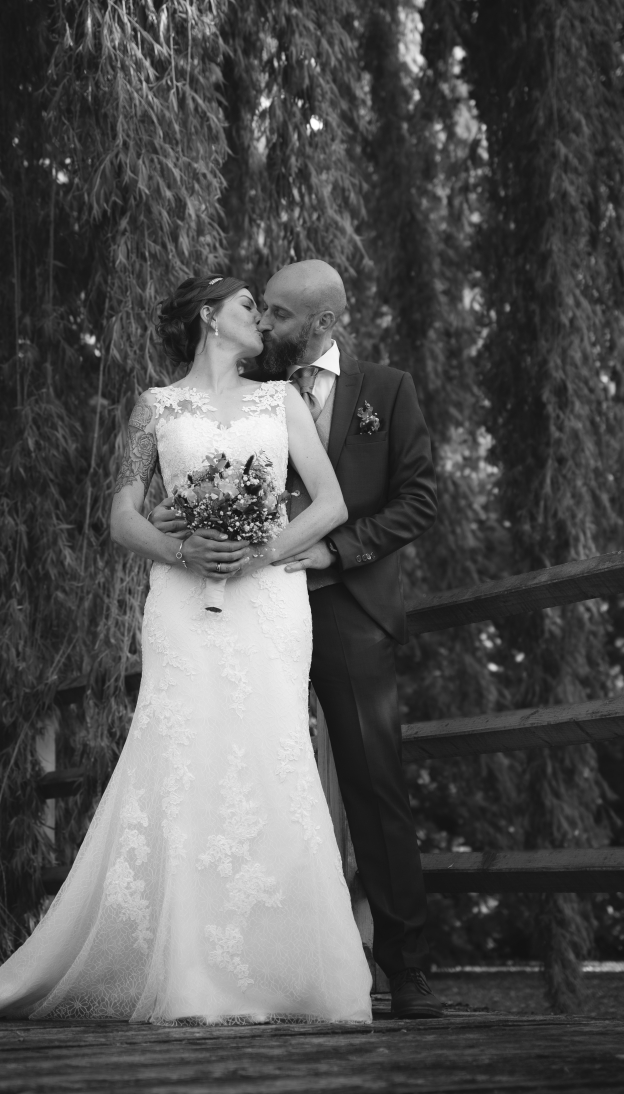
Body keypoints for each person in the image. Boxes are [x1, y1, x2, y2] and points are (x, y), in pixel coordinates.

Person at [0, 273, 373, 1025]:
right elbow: (121, 516)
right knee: (185, 757)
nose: (261, 320)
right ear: (210, 318)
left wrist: (259, 552)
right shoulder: (154, 408)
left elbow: (331, 503)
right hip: (182, 605)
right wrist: (181, 547)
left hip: (268, 605)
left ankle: (288, 968)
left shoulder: (281, 401)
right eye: (247, 307)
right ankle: (188, 969)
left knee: (272, 758)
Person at [153, 259, 443, 1019]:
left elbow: (420, 499)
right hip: (248, 610)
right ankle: (247, 962)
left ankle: (407, 969)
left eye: (279, 313)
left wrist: (337, 550)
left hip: (346, 608)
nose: (266, 323)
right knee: (245, 778)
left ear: (322, 322)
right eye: (262, 310)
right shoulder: (252, 386)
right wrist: (179, 520)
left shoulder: (386, 391)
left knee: (374, 785)